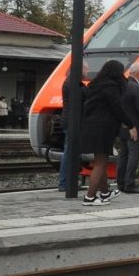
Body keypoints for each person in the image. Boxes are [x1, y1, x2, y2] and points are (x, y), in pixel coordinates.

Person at [79, 61, 131, 206]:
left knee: (99, 161)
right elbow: (117, 108)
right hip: (103, 128)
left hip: (91, 127)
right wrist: (131, 124)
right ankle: (89, 197)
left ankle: (104, 192)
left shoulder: (94, 85)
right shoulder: (111, 88)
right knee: (101, 163)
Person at [57, 61, 90, 192]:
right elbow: (83, 98)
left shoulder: (72, 82)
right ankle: (65, 183)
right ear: (80, 69)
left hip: (71, 121)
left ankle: (69, 182)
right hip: (72, 122)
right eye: (86, 70)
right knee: (70, 153)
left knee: (72, 153)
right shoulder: (73, 83)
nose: (87, 72)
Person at [117, 62, 139, 194]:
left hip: (123, 127)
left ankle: (121, 183)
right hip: (136, 128)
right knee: (134, 155)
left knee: (123, 155)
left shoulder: (123, 86)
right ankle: (130, 183)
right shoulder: (137, 88)